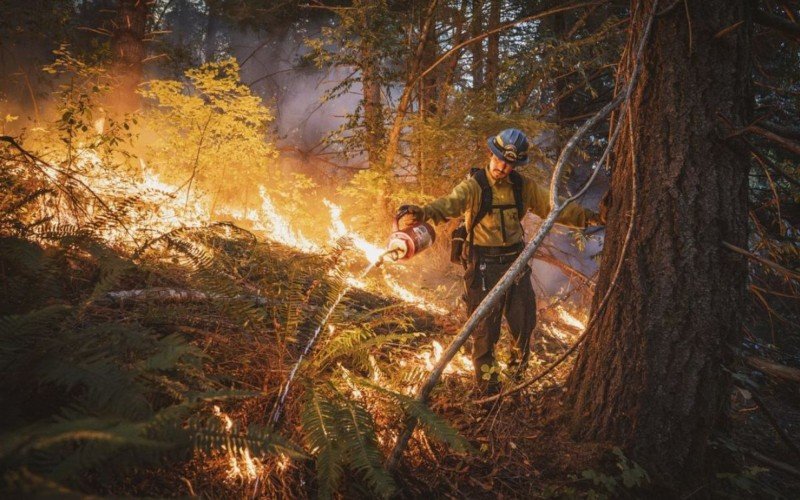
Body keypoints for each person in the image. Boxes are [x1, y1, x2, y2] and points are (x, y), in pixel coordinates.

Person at [399, 128, 602, 395]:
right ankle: (489, 391)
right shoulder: (475, 186)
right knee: (485, 331)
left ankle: (516, 382)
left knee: (523, 323)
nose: (503, 167)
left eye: (510, 163)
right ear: (490, 154)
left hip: (516, 264)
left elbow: (555, 207)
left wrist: (591, 217)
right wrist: (421, 213)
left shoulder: (523, 187)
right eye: (499, 159)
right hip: (483, 266)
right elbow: (446, 206)